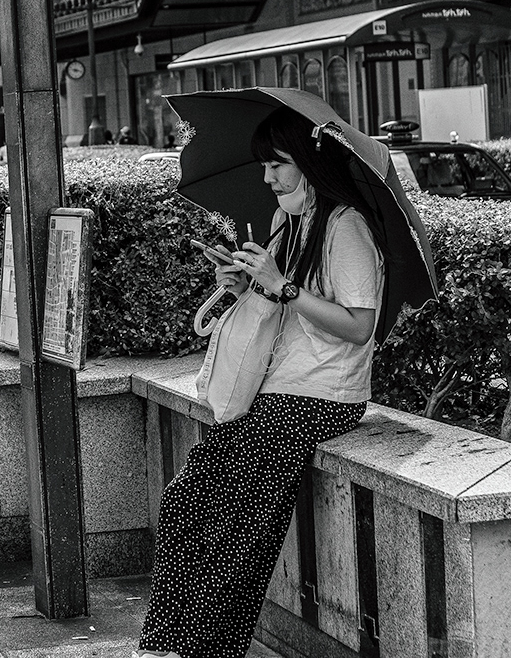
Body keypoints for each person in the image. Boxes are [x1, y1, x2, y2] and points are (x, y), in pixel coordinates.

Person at [136, 106, 385, 658]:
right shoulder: (287, 223)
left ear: (311, 165)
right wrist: (243, 281)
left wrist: (284, 285)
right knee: (185, 500)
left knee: (240, 526)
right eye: (265, 167)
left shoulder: (346, 228)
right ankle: (163, 642)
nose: (268, 178)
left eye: (279, 166)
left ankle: (203, 648)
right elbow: (272, 306)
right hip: (275, 393)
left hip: (322, 397)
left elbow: (360, 326)